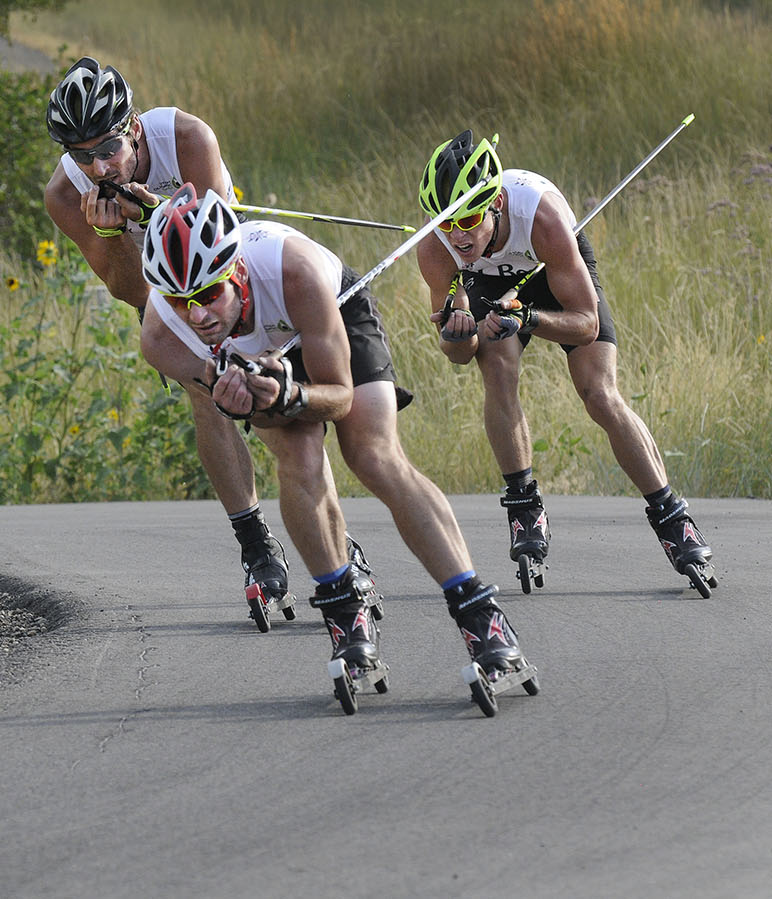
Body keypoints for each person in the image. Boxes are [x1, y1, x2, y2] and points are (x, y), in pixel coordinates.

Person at [138, 182, 530, 696]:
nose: (199, 316)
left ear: (236, 273)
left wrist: (290, 394)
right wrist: (252, 400)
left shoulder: (292, 270)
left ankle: (483, 618)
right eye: (180, 300)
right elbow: (248, 405)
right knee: (297, 461)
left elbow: (340, 396)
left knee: (372, 455)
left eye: (209, 294)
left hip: (331, 314)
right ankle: (347, 619)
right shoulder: (164, 338)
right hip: (259, 361)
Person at [42, 56, 373, 631]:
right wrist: (110, 232)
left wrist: (150, 208)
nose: (98, 166)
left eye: (108, 147)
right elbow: (128, 290)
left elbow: (227, 252)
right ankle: (255, 542)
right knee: (211, 394)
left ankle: (333, 538)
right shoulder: (66, 195)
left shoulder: (188, 138)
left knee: (272, 405)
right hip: (162, 293)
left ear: (136, 127)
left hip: (226, 274)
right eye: (81, 156)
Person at [414, 130, 713, 589]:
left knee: (599, 394)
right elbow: (457, 356)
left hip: (551, 273)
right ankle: (524, 506)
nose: (457, 234)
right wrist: (462, 330)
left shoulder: (543, 218)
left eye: (468, 218)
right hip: (491, 284)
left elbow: (586, 324)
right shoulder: (436, 249)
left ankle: (672, 516)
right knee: (496, 367)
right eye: (445, 220)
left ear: (494, 204)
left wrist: (527, 317)